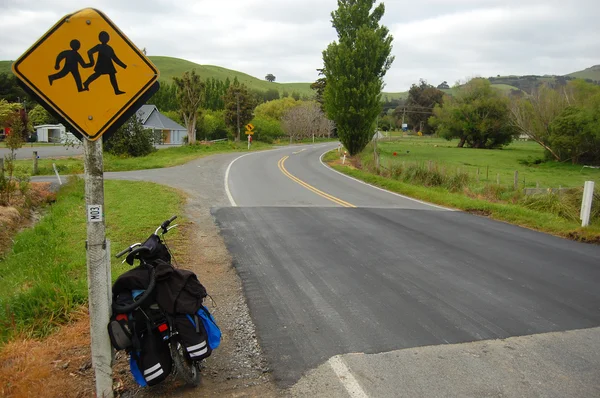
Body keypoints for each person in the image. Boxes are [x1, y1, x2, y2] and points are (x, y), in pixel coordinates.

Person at [83, 31, 127, 95]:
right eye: (103, 37)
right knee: (97, 74)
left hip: (108, 64)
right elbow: (89, 52)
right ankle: (86, 83)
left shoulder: (109, 48)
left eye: (106, 37)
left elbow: (115, 58)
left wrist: (124, 66)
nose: (105, 39)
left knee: (112, 75)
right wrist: (92, 62)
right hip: (101, 64)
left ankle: (116, 90)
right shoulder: (99, 46)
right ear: (100, 38)